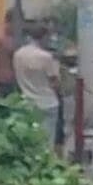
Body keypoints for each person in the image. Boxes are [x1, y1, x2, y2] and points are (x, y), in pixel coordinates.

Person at [13, 23, 64, 156]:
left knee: (30, 140)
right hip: (47, 103)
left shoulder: (18, 54)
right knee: (47, 141)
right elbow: (55, 82)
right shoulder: (46, 57)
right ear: (44, 37)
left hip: (27, 102)